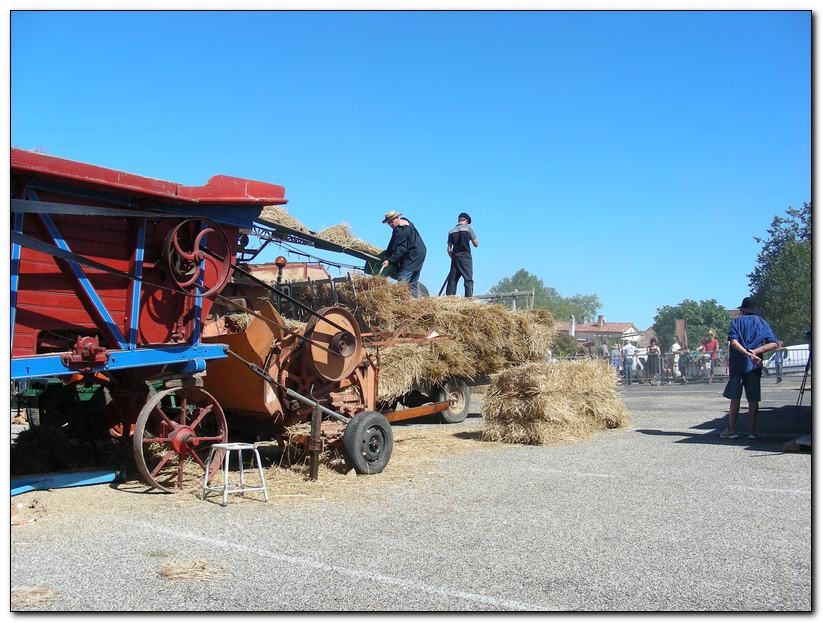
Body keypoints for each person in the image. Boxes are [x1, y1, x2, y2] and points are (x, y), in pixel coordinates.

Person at [720, 296, 778, 440]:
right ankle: (751, 432)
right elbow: (773, 344)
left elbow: (733, 342)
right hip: (754, 366)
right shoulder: (762, 322)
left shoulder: (737, 322)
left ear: (742, 310)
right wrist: (755, 352)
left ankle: (731, 430)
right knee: (753, 400)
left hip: (738, 365)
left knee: (735, 399)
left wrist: (746, 353)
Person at [381, 210, 427, 298]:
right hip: (420, 253)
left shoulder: (401, 230)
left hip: (412, 255)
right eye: (389, 223)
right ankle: (415, 303)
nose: (391, 224)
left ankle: (399, 302)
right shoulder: (406, 223)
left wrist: (390, 260)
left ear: (397, 218)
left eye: (391, 221)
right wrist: (387, 255)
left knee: (402, 282)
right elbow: (393, 244)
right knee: (412, 283)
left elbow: (401, 248)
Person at [445, 212, 478, 297]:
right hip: (465, 256)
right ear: (466, 220)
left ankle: (450, 299)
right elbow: (476, 244)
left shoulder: (451, 231)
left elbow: (449, 249)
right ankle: (468, 299)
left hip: (455, 257)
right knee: (468, 279)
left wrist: (452, 257)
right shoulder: (468, 229)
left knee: (453, 279)